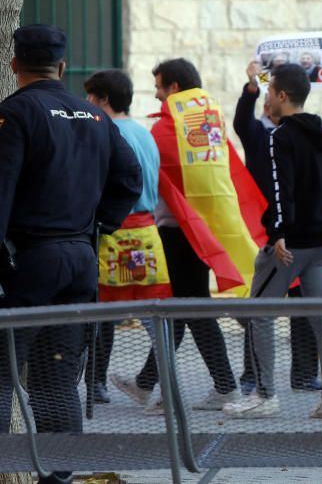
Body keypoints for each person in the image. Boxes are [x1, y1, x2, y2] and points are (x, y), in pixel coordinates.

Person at [0, 24, 141, 484]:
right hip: (79, 261)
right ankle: (58, 479)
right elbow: (129, 181)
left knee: (2, 375)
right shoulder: (95, 118)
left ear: (14, 64)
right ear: (62, 67)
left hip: (26, 263)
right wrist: (95, 225)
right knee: (57, 379)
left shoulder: (14, 114)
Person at [113, 58, 256, 413]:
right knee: (181, 309)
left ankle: (216, 388)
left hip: (178, 232)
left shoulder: (169, 127)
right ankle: (148, 385)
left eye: (160, 87)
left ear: (174, 88)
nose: (158, 95)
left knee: (189, 308)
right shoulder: (207, 120)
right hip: (196, 228)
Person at [223, 64, 322, 419]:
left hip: (290, 244)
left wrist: (278, 232)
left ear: (281, 95)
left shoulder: (280, 136)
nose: (266, 98)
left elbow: (281, 188)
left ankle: (264, 395)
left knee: (259, 312)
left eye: (268, 91)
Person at [83, 69, 171, 405]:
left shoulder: (102, 132)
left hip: (113, 231)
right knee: (154, 315)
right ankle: (166, 387)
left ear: (103, 98)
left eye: (91, 96)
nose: (88, 102)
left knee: (100, 311)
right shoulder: (144, 134)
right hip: (147, 234)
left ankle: (95, 383)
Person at [234, 60, 319, 395]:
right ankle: (253, 375)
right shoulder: (257, 133)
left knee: (306, 306)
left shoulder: (306, 132)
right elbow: (242, 121)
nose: (268, 98)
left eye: (270, 92)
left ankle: (303, 373)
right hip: (269, 230)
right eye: (265, 94)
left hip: (301, 228)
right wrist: (252, 85)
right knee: (261, 306)